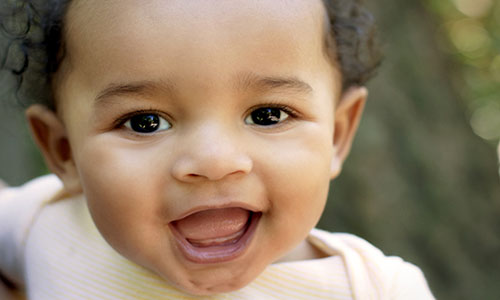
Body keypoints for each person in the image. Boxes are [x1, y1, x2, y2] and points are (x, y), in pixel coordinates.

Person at [0, 0, 435, 299]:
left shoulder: (377, 289)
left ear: (337, 136)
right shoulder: (47, 223)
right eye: (144, 122)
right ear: (64, 152)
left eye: (268, 114)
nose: (213, 161)